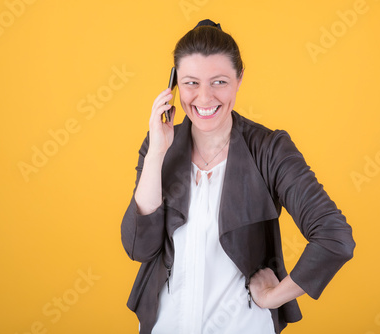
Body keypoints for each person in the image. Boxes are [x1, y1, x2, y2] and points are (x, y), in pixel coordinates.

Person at [121, 19, 355, 334]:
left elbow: (335, 237)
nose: (203, 99)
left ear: (239, 79)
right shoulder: (159, 146)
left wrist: (276, 296)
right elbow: (139, 248)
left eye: (218, 82)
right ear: (174, 84)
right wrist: (156, 153)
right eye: (191, 83)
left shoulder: (270, 150)